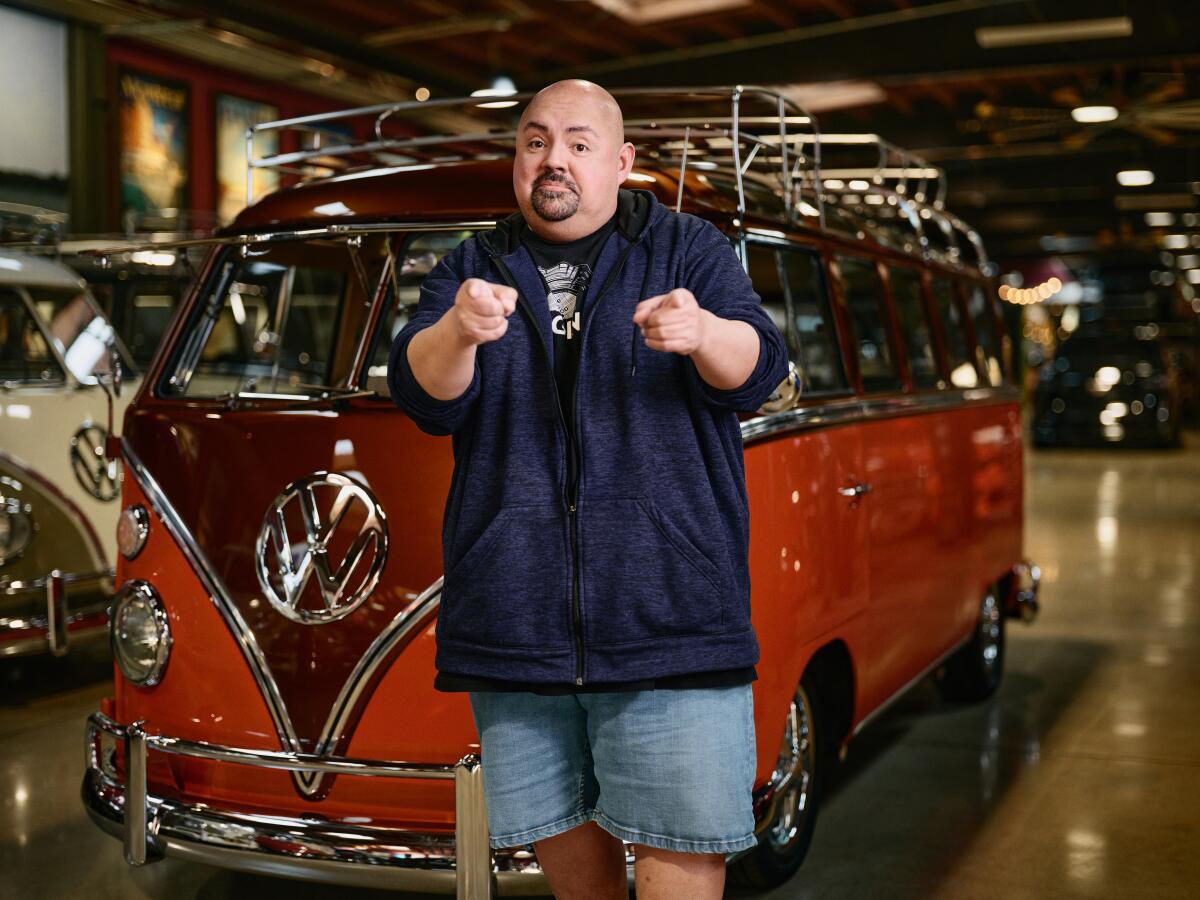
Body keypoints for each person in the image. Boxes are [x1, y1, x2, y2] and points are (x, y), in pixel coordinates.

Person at [388, 79, 788, 900]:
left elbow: (761, 369)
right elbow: (425, 396)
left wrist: (704, 331)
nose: (553, 159)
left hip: (671, 628)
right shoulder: (472, 267)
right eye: (535, 141)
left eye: (577, 142)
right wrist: (458, 330)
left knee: (683, 866)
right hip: (516, 632)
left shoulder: (687, 249)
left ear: (621, 162)